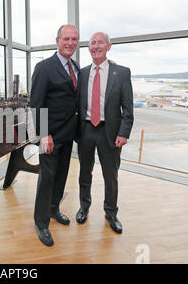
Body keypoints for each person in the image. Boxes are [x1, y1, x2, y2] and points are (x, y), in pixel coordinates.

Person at [75, 32, 134, 234]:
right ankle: (84, 206)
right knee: (84, 172)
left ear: (109, 47)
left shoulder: (122, 72)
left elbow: (128, 108)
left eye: (100, 43)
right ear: (89, 48)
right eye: (92, 43)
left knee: (111, 175)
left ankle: (111, 213)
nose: (96, 46)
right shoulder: (81, 73)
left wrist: (124, 133)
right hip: (86, 130)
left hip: (110, 131)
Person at [30, 24, 80, 246]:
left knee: (61, 176)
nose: (70, 43)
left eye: (75, 39)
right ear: (57, 40)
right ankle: (41, 223)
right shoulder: (44, 67)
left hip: (68, 135)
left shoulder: (76, 67)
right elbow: (36, 103)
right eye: (66, 39)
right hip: (49, 136)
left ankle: (53, 210)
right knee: (47, 178)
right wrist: (43, 134)